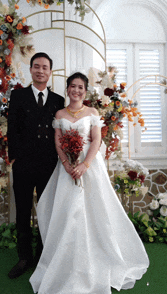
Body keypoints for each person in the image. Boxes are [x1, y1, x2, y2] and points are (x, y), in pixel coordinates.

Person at [29, 72, 149, 294]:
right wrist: (66, 163)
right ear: (67, 89)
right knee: (66, 212)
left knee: (96, 211)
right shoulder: (60, 113)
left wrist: (85, 164)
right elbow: (57, 141)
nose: (76, 90)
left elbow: (96, 139)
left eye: (80, 87)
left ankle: (98, 259)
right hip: (66, 170)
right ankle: (65, 262)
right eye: (72, 86)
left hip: (90, 167)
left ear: (85, 91)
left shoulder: (92, 112)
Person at [7, 52, 65, 279]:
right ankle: (24, 258)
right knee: (22, 211)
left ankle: (43, 257)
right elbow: (12, 127)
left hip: (48, 166)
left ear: (50, 73)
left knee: (46, 212)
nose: (41, 70)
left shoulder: (58, 100)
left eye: (45, 67)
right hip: (23, 165)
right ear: (31, 69)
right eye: (37, 66)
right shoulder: (18, 96)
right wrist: (13, 157)